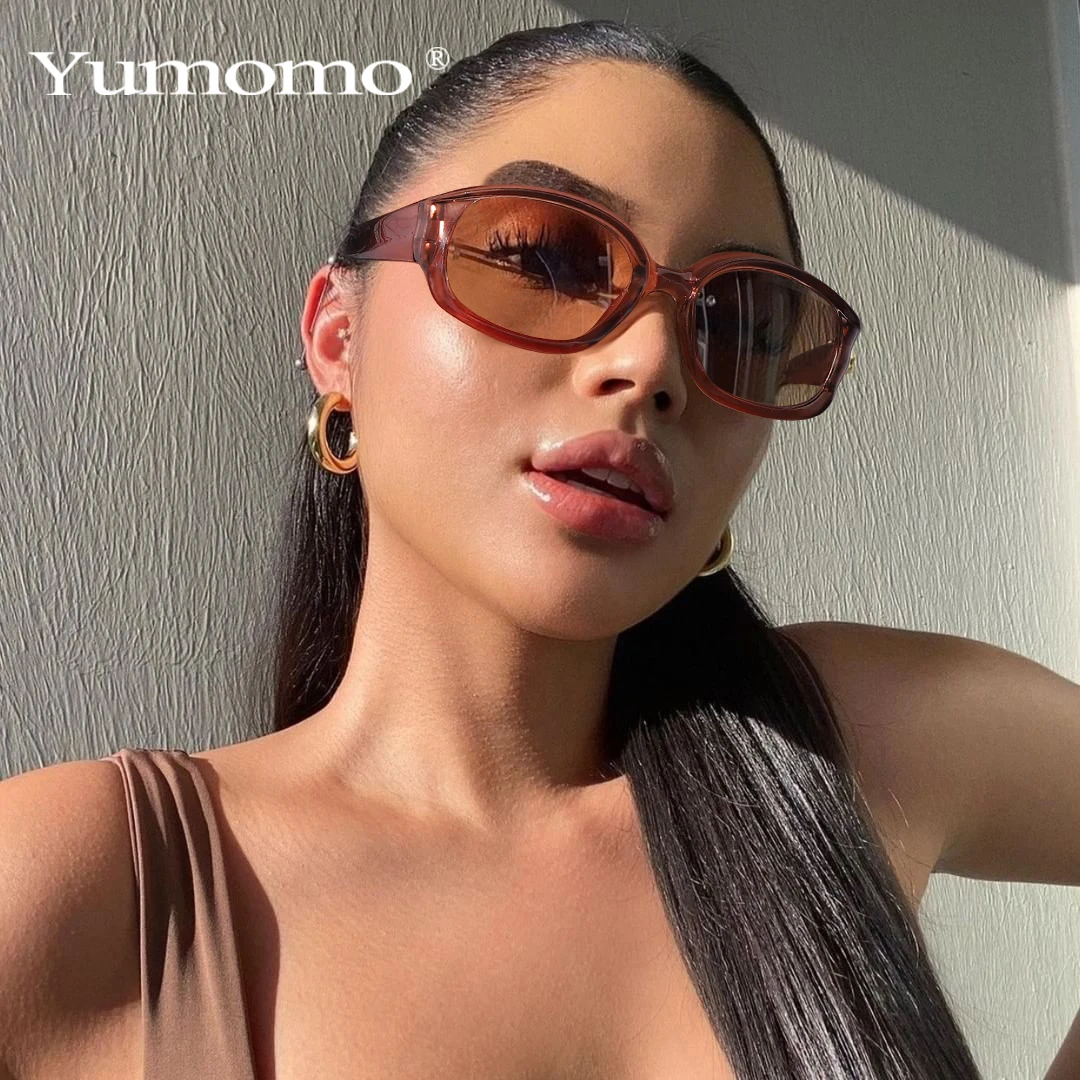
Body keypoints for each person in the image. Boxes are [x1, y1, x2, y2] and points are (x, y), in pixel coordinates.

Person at [2, 18, 1079, 1080]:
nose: (653, 364)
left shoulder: (858, 744)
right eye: (547, 258)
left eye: (741, 325)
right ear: (338, 336)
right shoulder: (84, 886)